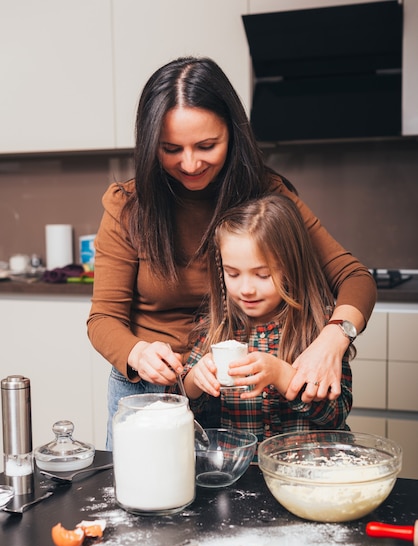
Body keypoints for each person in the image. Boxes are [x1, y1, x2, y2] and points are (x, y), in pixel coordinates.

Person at [86, 56, 376, 449]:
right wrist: (138, 352)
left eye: (207, 145)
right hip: (155, 391)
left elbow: (354, 278)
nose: (189, 163)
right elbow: (103, 319)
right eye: (171, 149)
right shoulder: (129, 206)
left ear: (232, 133)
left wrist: (332, 338)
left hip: (238, 402)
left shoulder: (266, 194)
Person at [181, 194, 353, 440]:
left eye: (262, 275)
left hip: (309, 468)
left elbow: (336, 414)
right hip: (243, 471)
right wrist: (196, 381)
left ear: (292, 267)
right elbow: (185, 404)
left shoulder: (320, 329)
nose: (246, 289)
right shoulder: (217, 328)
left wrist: (282, 375)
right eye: (233, 273)